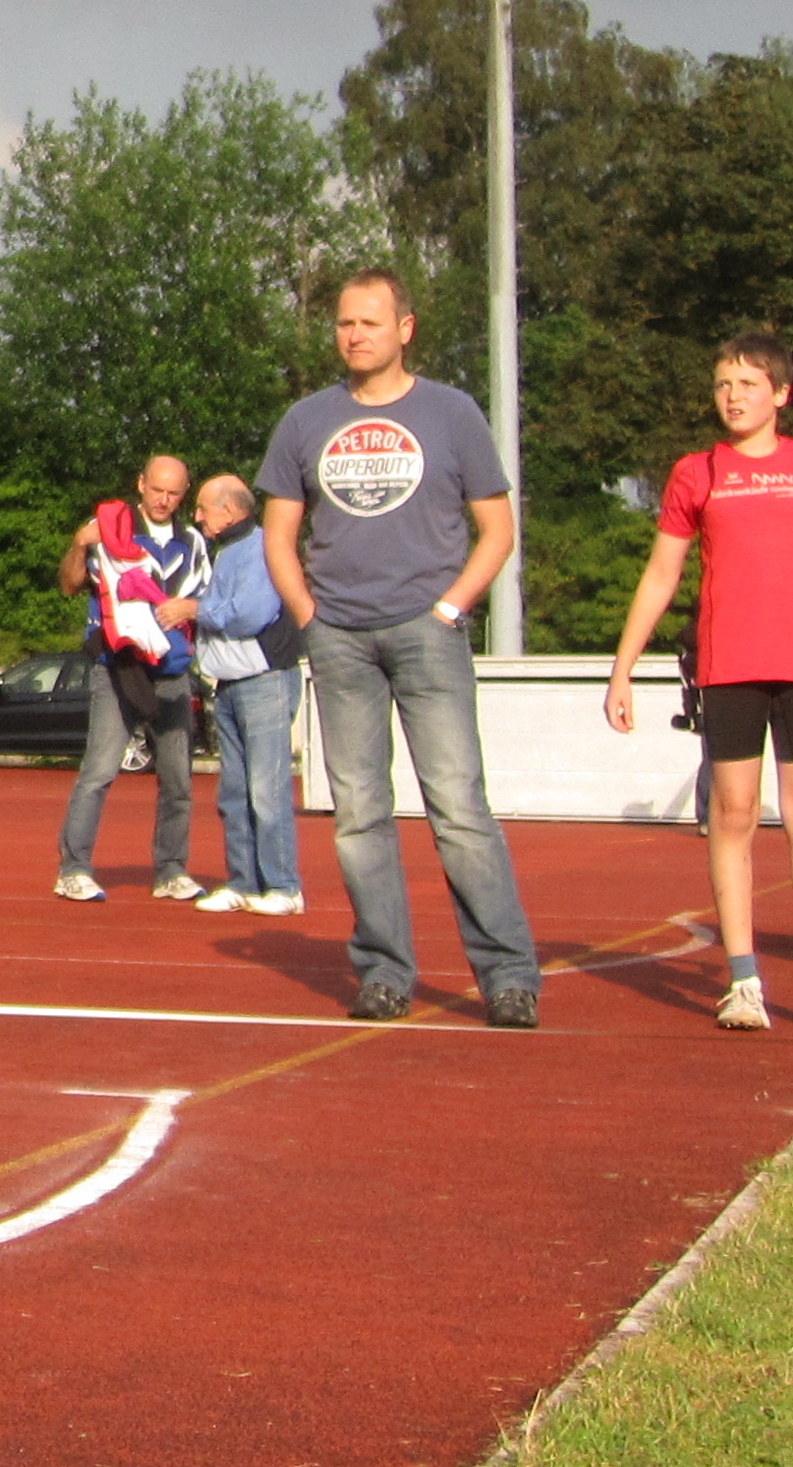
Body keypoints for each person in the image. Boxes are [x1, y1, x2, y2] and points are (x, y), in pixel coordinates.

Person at [260, 269, 543, 1028]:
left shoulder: (451, 413)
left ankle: (508, 977)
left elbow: (498, 529)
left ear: (405, 329)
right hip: (340, 638)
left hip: (427, 632)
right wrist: (309, 615)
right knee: (359, 815)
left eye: (370, 323)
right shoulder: (305, 420)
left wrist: (450, 607)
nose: (354, 335)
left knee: (459, 809)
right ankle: (384, 972)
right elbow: (278, 535)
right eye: (344, 323)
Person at [601, 332, 793, 1033]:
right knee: (732, 813)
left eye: (748, 384)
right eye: (723, 384)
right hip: (729, 666)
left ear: (781, 395)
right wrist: (622, 668)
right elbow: (662, 574)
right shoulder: (696, 473)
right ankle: (743, 982)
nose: (733, 396)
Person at [51, 457, 210, 903]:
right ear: (141, 484)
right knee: (99, 770)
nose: (164, 500)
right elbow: (69, 585)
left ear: (184, 493)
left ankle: (171, 869)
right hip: (117, 664)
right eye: (157, 490)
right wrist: (79, 544)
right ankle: (73, 869)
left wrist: (187, 610)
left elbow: (206, 600)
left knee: (178, 779)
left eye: (173, 493)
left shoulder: (193, 542)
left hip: (171, 669)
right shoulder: (109, 528)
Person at [187, 474, 307, 916]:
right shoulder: (225, 551)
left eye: (203, 508)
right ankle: (243, 882)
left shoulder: (260, 546)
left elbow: (250, 614)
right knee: (234, 791)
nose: (197, 516)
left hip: (265, 681)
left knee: (266, 790)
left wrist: (197, 610)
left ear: (230, 511)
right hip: (229, 683)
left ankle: (284, 887)